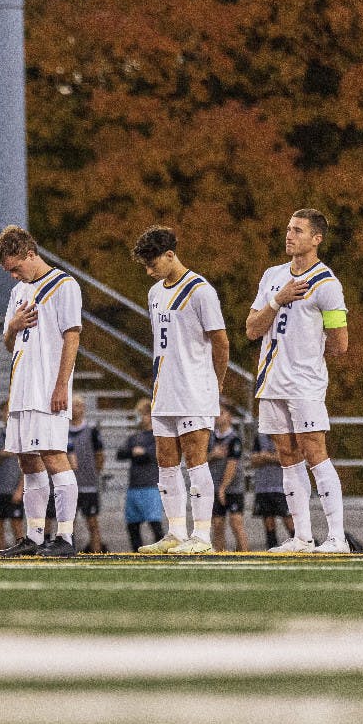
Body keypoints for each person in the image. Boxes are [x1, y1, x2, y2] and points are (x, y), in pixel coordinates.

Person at [245, 208, 350, 553]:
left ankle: (336, 537)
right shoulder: (273, 276)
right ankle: (303, 537)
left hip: (304, 383)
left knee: (315, 452)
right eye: (289, 228)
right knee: (287, 455)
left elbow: (340, 344)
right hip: (270, 380)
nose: (289, 235)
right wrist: (278, 299)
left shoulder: (327, 284)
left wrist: (308, 354)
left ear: (316, 239)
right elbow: (251, 329)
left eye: (299, 230)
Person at [130, 226, 230, 555]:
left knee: (196, 460)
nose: (148, 271)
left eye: (152, 263)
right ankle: (175, 531)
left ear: (170, 255)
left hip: (194, 390)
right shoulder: (155, 292)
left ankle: (201, 536)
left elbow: (221, 341)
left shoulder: (200, 290)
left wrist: (215, 384)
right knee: (166, 463)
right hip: (164, 389)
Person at [0, 225, 82, 558]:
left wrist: (62, 385)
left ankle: (66, 536)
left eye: (16, 267)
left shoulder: (64, 285)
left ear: (30, 254)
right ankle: (33, 535)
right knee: (27, 461)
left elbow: (72, 336)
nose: (14, 275)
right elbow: (7, 342)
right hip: (21, 387)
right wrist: (13, 326)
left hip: (47, 388)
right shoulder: (19, 293)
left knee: (53, 455)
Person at [118, 398, 165, 550]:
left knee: (155, 524)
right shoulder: (134, 437)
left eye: (142, 414)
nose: (140, 417)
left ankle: (164, 555)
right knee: (132, 525)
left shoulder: (157, 436)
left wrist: (141, 452)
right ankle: (137, 554)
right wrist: (134, 452)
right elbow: (121, 453)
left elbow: (150, 455)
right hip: (134, 487)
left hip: (150, 486)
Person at [67, 396, 107, 553]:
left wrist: (93, 473)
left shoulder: (92, 431)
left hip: (88, 485)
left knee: (92, 523)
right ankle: (69, 552)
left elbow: (100, 456)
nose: (79, 408)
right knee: (68, 523)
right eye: (75, 405)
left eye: (81, 405)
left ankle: (96, 553)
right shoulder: (63, 430)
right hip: (69, 484)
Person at [207, 409, 248, 552]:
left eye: (222, 412)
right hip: (215, 486)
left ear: (229, 417)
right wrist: (213, 455)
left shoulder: (234, 439)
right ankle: (220, 555)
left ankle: (245, 556)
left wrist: (223, 488)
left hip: (233, 487)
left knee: (236, 523)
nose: (217, 416)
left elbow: (232, 464)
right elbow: (199, 461)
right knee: (217, 524)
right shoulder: (210, 438)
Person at [0, 400, 24, 553]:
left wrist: (20, 489)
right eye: (5, 411)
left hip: (15, 487)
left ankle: (23, 555)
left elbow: (28, 467)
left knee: (16, 525)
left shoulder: (24, 437)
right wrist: (2, 455)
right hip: (0, 487)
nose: (7, 415)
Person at [251, 431, 295, 549]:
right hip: (262, 487)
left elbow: (287, 459)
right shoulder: (260, 437)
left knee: (288, 519)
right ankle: (272, 546)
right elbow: (254, 460)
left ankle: (301, 543)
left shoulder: (284, 436)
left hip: (282, 487)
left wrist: (266, 457)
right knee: (268, 521)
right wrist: (272, 457)